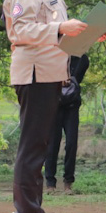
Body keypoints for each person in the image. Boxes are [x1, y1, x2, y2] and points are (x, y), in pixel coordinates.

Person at [3, 0, 95, 213]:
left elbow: (56, 35)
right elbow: (20, 30)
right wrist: (62, 27)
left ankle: (33, 212)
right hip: (34, 73)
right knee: (32, 144)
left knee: (40, 143)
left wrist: (85, 35)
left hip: (49, 72)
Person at [45, 54, 90, 193]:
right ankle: (50, 182)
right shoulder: (52, 55)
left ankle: (68, 182)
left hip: (71, 105)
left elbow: (77, 79)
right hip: (54, 104)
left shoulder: (82, 58)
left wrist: (69, 77)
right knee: (52, 144)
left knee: (71, 143)